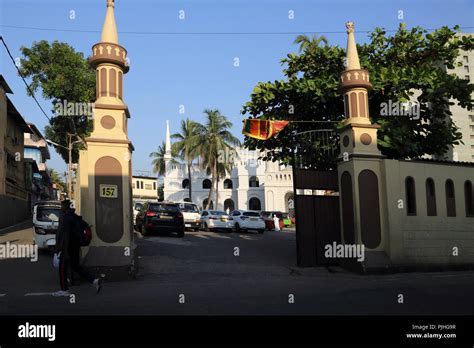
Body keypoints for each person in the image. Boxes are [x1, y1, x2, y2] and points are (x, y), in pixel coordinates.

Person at [54, 200, 102, 296]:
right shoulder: (74, 216)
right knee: (76, 266)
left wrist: (64, 249)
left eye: (62, 206)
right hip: (76, 245)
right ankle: (94, 281)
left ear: (65, 206)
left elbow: (66, 235)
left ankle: (64, 290)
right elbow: (85, 225)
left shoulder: (66, 218)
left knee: (62, 268)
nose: (61, 207)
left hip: (68, 246)